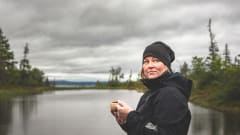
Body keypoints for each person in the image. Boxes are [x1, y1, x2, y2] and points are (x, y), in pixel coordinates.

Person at [111, 41, 192, 135]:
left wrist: (131, 116)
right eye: (146, 61)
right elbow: (144, 128)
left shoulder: (171, 94)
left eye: (156, 60)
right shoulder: (149, 94)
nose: (150, 66)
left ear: (166, 66)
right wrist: (125, 121)